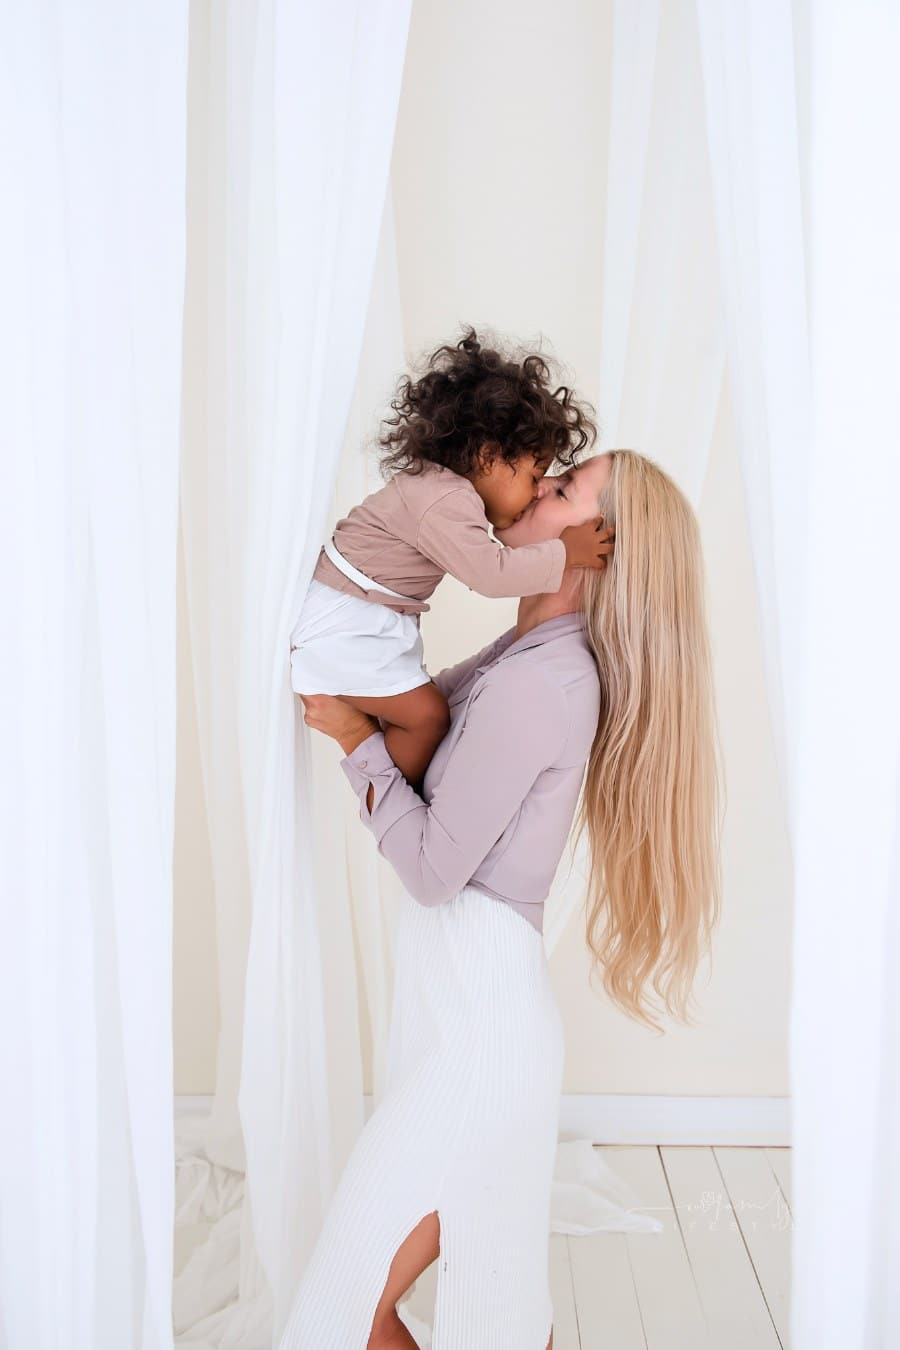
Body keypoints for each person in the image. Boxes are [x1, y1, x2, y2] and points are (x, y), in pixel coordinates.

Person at [280, 449, 722, 1350]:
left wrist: (355, 741)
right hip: (466, 1019)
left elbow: (434, 869)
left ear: (599, 544)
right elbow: (425, 756)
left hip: (478, 1041)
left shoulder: (538, 684)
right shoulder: (523, 655)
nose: (534, 489)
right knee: (490, 1323)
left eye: (562, 490)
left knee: (346, 1313)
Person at [289, 327, 614, 787]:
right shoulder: (446, 500)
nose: (536, 491)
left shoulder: (442, 491)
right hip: (350, 617)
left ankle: (388, 779)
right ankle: (391, 795)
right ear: (488, 457)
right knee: (428, 718)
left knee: (420, 712)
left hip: (364, 610)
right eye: (534, 475)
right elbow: (491, 575)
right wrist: (565, 553)